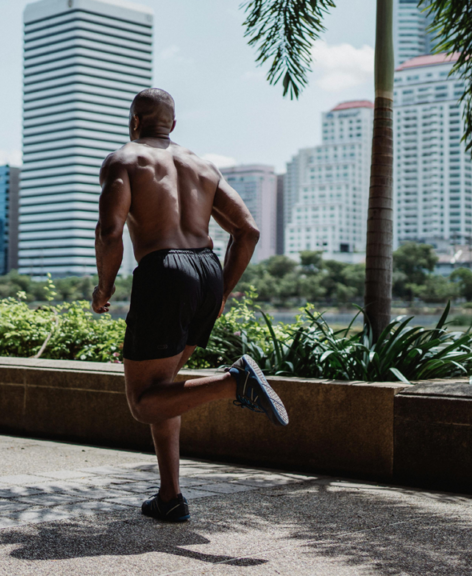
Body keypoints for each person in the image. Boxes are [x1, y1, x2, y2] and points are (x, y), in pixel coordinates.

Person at [92, 88, 288, 523]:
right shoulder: (202, 165)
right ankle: (170, 497)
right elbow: (248, 231)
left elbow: (109, 231)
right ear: (173, 125)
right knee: (165, 389)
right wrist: (222, 293)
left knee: (143, 402)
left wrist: (104, 287)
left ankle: (234, 382)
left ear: (135, 122)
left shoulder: (124, 160)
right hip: (207, 269)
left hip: (164, 272)